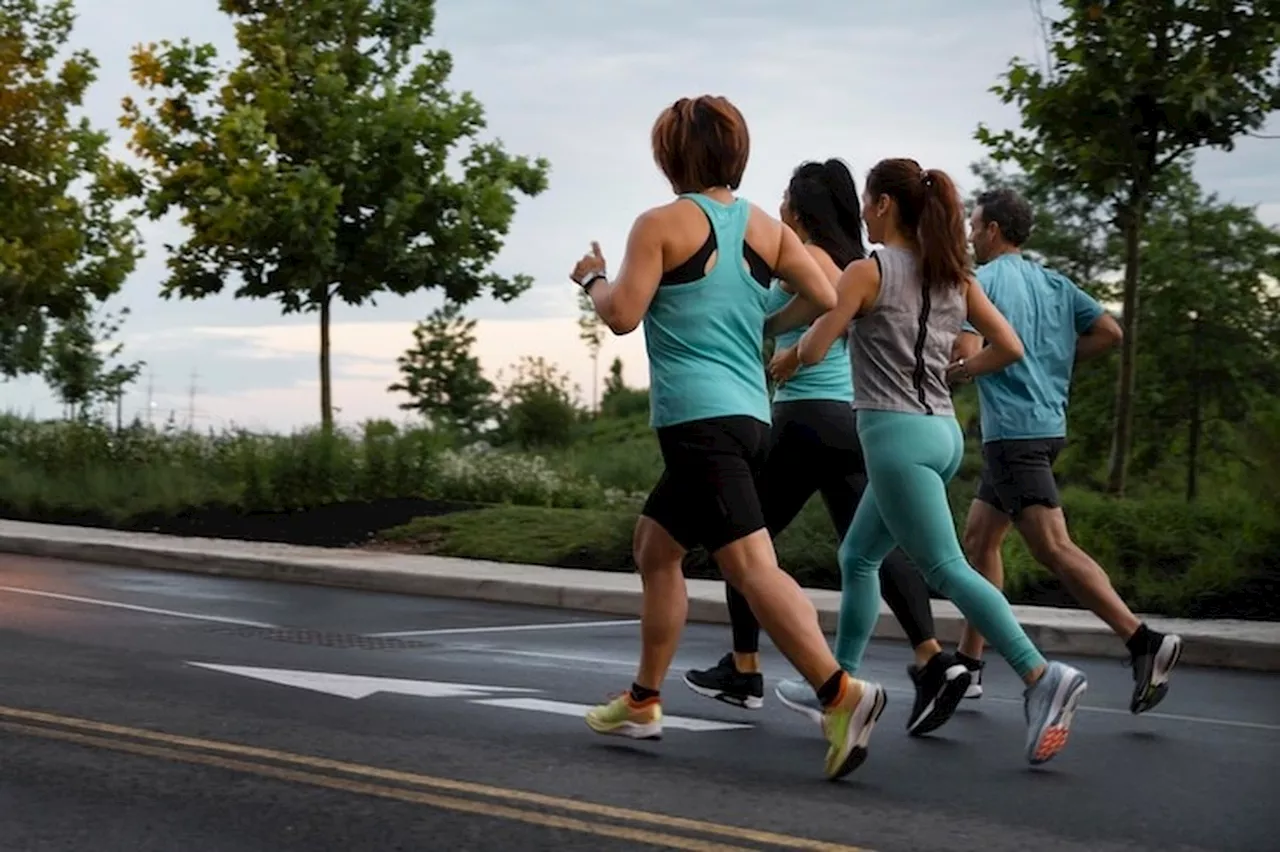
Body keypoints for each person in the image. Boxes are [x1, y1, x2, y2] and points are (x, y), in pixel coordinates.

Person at [569, 95, 887, 781]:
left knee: (749, 566)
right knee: (656, 547)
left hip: (698, 422)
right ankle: (645, 700)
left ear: (669, 155)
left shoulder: (659, 224)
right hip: (750, 416)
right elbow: (829, 295)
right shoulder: (767, 230)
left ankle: (841, 694)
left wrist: (592, 279)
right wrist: (766, 326)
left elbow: (622, 315)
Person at [772, 157, 1089, 767]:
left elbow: (815, 344)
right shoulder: (953, 274)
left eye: (867, 200)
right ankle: (840, 685)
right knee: (858, 555)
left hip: (893, 436)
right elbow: (1010, 347)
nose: (862, 211)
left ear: (885, 205)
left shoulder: (869, 271)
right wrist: (957, 371)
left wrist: (791, 357)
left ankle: (1041, 676)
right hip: (942, 433)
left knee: (946, 568)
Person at [682, 158, 971, 738]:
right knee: (868, 548)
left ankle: (744, 670)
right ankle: (933, 657)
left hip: (806, 419)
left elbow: (770, 316)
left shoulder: (810, 261)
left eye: (787, 198)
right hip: (850, 421)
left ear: (802, 209)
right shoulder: (853, 261)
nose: (781, 206)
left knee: (743, 539)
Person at [951, 187, 1182, 714]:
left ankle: (1142, 639)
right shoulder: (1054, 282)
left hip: (1013, 433)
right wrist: (1055, 360)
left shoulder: (982, 284)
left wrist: (954, 368)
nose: (968, 234)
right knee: (979, 538)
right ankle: (970, 662)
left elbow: (964, 353)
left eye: (973, 225)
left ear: (991, 231)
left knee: (1053, 547)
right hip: (1046, 427)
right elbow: (1110, 332)